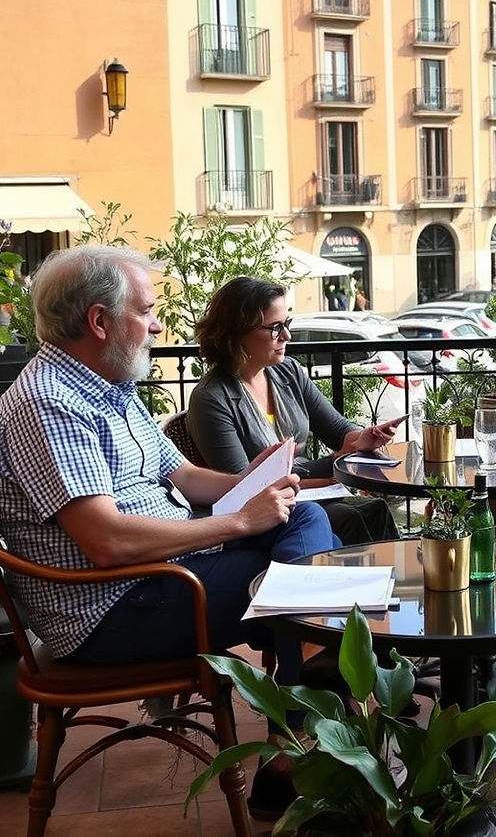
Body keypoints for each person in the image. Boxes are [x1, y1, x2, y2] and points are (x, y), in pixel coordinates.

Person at [0, 246, 339, 817]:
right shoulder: (47, 403)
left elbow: (179, 473)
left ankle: (305, 702)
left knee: (302, 515)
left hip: (162, 577)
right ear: (99, 321)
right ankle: (309, 714)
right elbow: (106, 541)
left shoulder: (108, 389)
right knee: (308, 587)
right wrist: (238, 521)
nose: (158, 324)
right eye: (148, 310)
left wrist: (252, 482)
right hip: (111, 610)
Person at [187, 276, 400, 544]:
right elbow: (246, 487)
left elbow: (337, 429)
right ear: (238, 333)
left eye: (286, 324)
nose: (287, 335)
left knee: (374, 509)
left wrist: (362, 438)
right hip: (265, 513)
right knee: (354, 515)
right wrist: (335, 464)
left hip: (304, 495)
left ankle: (394, 584)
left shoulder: (288, 372)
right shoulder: (212, 399)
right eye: (275, 328)